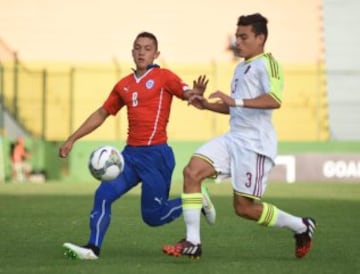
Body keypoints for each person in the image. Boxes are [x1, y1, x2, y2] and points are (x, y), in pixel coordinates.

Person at [163, 13, 316, 259]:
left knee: (244, 209)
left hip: (255, 144)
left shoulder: (269, 64)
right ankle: (193, 242)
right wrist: (206, 104)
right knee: (192, 171)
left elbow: (274, 100)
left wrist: (235, 100)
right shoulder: (240, 67)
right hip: (233, 137)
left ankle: (301, 226)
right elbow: (235, 107)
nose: (238, 42)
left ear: (260, 38)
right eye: (237, 37)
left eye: (244, 37)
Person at [59, 31, 216, 260]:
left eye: (147, 48)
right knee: (102, 195)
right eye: (138, 48)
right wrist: (72, 138)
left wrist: (195, 94)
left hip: (157, 156)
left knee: (154, 217)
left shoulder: (164, 77)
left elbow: (185, 91)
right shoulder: (123, 85)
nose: (142, 52)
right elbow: (103, 113)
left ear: (156, 53)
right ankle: (93, 249)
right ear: (132, 52)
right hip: (129, 157)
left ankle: (195, 199)